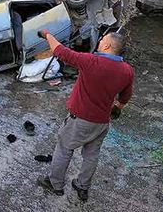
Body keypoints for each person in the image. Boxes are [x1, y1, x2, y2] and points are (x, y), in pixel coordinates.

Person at [36, 30, 134, 202]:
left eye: (103, 39)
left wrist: (47, 35)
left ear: (107, 45)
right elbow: (124, 97)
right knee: (91, 155)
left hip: (79, 120)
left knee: (64, 149)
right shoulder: (127, 70)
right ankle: (82, 186)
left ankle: (55, 184)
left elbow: (61, 52)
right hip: (102, 122)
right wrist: (117, 107)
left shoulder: (91, 61)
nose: (100, 40)